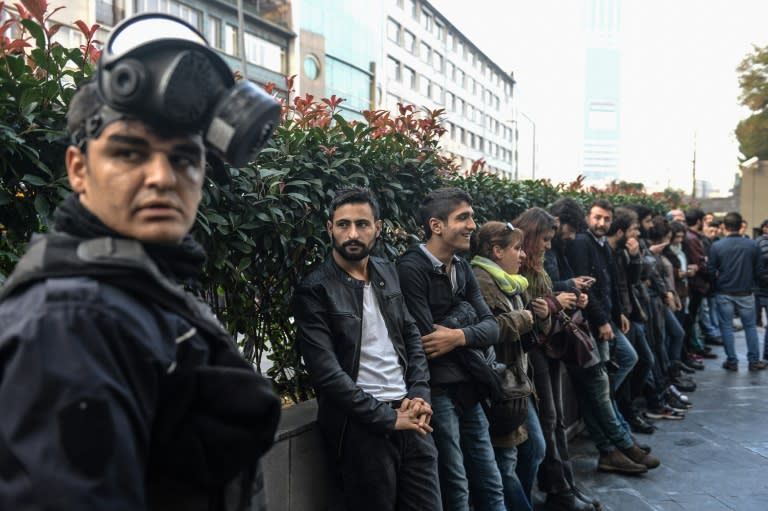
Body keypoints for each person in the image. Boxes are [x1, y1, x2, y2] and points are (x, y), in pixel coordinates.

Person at [0, 13, 282, 510]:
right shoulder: (71, 318)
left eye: (183, 159)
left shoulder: (136, 286)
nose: (161, 177)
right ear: (78, 169)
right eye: (130, 153)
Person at [292, 187, 441, 511]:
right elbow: (327, 374)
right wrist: (386, 419)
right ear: (329, 227)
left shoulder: (388, 271)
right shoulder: (315, 289)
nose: (353, 233)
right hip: (360, 431)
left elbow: (410, 335)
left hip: (411, 418)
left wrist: (419, 393)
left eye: (362, 224)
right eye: (343, 224)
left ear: (378, 227)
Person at [397, 187, 505, 511]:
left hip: (469, 383)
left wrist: (458, 335)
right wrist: (469, 325)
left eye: (471, 216)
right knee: (455, 484)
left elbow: (493, 327)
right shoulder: (410, 269)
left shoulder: (462, 267)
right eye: (464, 217)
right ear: (437, 225)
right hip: (438, 389)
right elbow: (427, 340)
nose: (473, 224)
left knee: (490, 479)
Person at [470, 220, 547, 511]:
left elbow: (531, 334)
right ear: (496, 251)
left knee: (534, 449)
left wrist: (542, 316)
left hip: (519, 384)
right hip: (501, 387)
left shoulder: (513, 282)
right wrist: (525, 319)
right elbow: (488, 330)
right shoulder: (482, 280)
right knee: (505, 463)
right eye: (516, 248)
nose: (523, 254)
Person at [709, 212, 767, 371]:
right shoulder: (752, 245)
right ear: (741, 225)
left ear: (724, 226)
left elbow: (711, 270)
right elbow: (759, 270)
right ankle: (754, 361)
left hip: (724, 292)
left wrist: (717, 284)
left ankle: (732, 361)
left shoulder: (717, 246)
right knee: (750, 327)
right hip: (746, 292)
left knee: (726, 327)